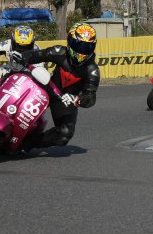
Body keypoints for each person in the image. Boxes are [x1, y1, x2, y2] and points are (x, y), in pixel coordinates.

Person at [18, 22, 101, 150]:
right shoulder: (59, 52)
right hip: (48, 87)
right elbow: (38, 55)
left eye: (86, 47)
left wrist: (77, 99)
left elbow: (90, 97)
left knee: (64, 134)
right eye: (78, 45)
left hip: (66, 100)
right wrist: (22, 57)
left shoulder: (92, 70)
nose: (81, 51)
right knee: (21, 84)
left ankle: (28, 143)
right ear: (69, 42)